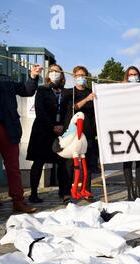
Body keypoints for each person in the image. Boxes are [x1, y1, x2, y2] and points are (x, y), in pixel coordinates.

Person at [0, 42, 41, 225]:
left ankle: (18, 201)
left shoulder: (5, 78)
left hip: (8, 128)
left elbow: (26, 90)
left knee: (13, 168)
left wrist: (33, 77)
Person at [27, 64, 70, 203]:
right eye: (52, 71)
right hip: (43, 130)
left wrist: (62, 126)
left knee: (62, 162)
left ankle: (64, 192)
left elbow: (68, 111)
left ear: (62, 75)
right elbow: (40, 111)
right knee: (38, 162)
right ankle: (33, 194)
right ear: (48, 74)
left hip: (61, 131)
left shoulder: (66, 92)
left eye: (57, 71)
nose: (54, 73)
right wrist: (52, 126)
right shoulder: (42, 90)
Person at [62, 66, 97, 200]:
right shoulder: (69, 93)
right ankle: (68, 191)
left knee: (87, 164)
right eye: (78, 75)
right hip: (72, 135)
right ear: (74, 77)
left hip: (88, 134)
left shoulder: (92, 92)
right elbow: (73, 108)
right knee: (70, 164)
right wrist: (86, 100)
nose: (81, 78)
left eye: (83, 75)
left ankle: (86, 190)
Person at [121, 66, 140, 201]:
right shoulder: (121, 89)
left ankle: (138, 190)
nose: (133, 77)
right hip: (125, 130)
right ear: (126, 77)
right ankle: (130, 191)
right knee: (127, 162)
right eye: (130, 75)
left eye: (135, 74)